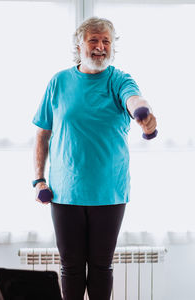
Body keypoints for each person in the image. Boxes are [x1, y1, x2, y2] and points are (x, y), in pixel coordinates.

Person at [32, 17, 157, 300]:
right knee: (71, 269)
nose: (100, 47)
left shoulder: (118, 79)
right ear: (79, 45)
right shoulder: (59, 82)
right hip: (65, 194)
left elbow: (134, 99)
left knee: (101, 268)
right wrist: (38, 180)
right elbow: (42, 135)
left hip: (109, 193)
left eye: (106, 41)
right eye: (94, 40)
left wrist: (144, 116)